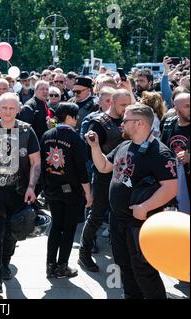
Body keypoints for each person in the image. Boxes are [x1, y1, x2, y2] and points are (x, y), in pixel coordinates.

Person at [86, 104, 178, 299]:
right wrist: (94, 147)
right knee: (124, 265)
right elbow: (103, 166)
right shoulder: (124, 145)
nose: (121, 124)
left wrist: (145, 207)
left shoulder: (159, 152)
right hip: (118, 220)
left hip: (139, 224)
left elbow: (171, 187)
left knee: (143, 271)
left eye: (125, 121)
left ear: (139, 123)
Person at [0, 92, 40, 293]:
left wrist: (31, 187)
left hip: (18, 192)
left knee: (12, 234)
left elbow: (35, 162)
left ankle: (4, 263)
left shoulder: (27, 131)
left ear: (18, 109)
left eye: (12, 108)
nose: (8, 112)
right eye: (4, 108)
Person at [78, 89, 131, 272]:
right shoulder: (99, 123)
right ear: (112, 103)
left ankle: (122, 253)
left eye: (128, 104)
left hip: (124, 175)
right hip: (103, 175)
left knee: (121, 215)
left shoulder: (129, 119)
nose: (126, 108)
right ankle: (84, 253)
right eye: (123, 105)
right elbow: (89, 149)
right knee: (97, 215)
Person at [40, 102, 92, 278]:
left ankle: (49, 265)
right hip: (71, 191)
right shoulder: (75, 139)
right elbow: (81, 170)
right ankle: (62, 266)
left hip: (52, 189)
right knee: (68, 229)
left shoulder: (47, 135)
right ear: (69, 117)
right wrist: (88, 193)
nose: (77, 120)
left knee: (56, 226)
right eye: (75, 117)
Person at [160, 93, 190, 213]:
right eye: (187, 106)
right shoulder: (168, 124)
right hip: (173, 181)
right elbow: (162, 149)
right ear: (175, 108)